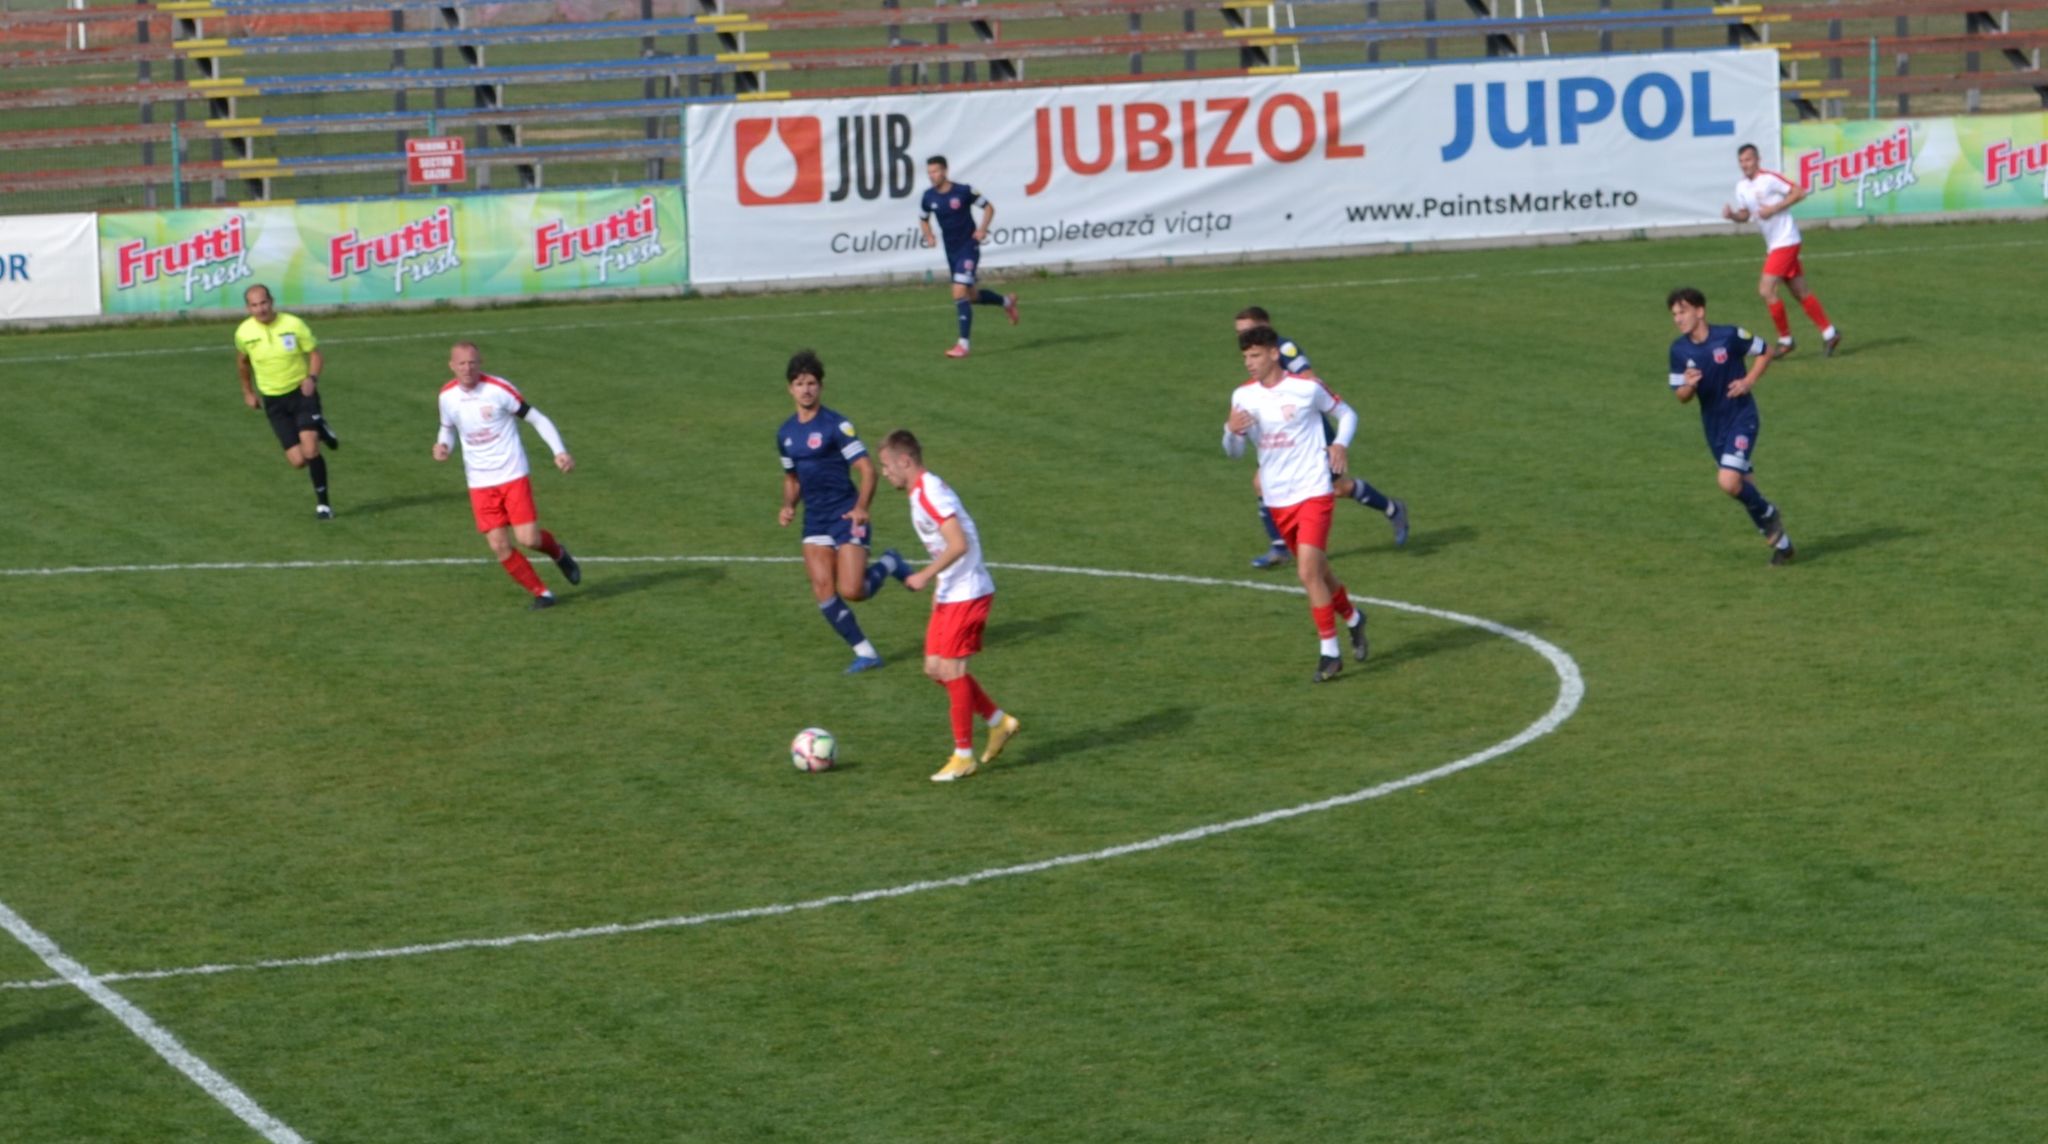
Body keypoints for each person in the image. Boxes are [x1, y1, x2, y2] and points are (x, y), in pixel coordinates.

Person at [1224, 325, 1370, 682]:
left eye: (1255, 355)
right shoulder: (1243, 397)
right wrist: (1231, 430)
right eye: (1245, 357)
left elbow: (1347, 413)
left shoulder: (1306, 389)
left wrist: (1340, 445)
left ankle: (1330, 654)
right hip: (1278, 497)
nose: (1249, 363)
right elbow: (1234, 453)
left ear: (1275, 353)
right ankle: (1353, 617)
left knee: (1306, 572)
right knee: (1319, 572)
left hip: (1314, 490)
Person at [878, 428, 1021, 782]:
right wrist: (937, 589)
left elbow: (957, 543)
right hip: (950, 591)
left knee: (953, 671)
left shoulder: (930, 493)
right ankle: (998, 721)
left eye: (886, 465)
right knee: (934, 668)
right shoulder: (919, 495)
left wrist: (925, 575)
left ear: (905, 461)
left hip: (968, 592)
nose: (885, 473)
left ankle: (963, 756)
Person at [1233, 306, 1408, 568]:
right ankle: (1280, 546)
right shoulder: (1255, 361)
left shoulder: (1285, 348)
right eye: (1240, 332)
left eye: (1248, 330)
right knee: (1265, 482)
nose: (1244, 336)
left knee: (1329, 488)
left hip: (1307, 429)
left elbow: (1309, 379)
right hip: (1282, 435)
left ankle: (1392, 508)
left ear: (1266, 327)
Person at [777, 349, 910, 673]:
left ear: (820, 387)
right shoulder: (785, 434)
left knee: (853, 590)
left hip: (846, 515)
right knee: (823, 589)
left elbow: (867, 470)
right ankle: (866, 652)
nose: (806, 389)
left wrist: (862, 508)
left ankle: (891, 562)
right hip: (815, 520)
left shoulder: (837, 425)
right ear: (790, 389)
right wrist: (788, 505)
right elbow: (792, 478)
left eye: (811, 383)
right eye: (799, 383)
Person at [433, 341, 584, 608]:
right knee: (499, 546)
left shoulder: (499, 390)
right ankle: (542, 593)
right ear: (452, 366)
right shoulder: (447, 396)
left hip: (512, 474)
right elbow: (447, 429)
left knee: (529, 539)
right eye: (462, 364)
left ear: (480, 363)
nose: (468, 369)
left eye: (472, 363)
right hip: (479, 482)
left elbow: (537, 418)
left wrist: (559, 451)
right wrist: (444, 445)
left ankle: (558, 553)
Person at [1665, 287, 1795, 566]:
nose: (1678, 318)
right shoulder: (1678, 351)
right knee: (1743, 488)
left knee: (1727, 481)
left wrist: (1748, 381)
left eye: (1683, 311)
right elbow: (1681, 397)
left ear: (1700, 311)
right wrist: (1689, 385)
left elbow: (1766, 351)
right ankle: (1784, 547)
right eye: (1674, 314)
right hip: (1714, 427)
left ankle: (1770, 512)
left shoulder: (1729, 336)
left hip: (1742, 417)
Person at [1722, 142, 1842, 358]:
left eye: (1748, 160)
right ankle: (1830, 332)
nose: (1745, 165)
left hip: (1786, 240)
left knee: (1766, 289)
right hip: (1775, 244)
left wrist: (1774, 208)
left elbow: (1799, 192)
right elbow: (1746, 215)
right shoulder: (1741, 187)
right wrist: (1732, 215)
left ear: (1758, 160)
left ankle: (1785, 340)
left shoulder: (1769, 178)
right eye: (1741, 161)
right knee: (1800, 291)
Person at [234, 284, 340, 519]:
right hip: (273, 401)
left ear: (271, 301)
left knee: (311, 449)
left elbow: (315, 354)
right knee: (298, 460)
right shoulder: (244, 333)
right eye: (254, 305)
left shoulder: (293, 324)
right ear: (247, 307)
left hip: (301, 393)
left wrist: (312, 378)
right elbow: (243, 363)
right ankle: (321, 427)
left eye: (263, 303)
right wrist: (248, 392)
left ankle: (323, 505)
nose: (260, 309)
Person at [918, 155, 1019, 359]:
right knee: (971, 296)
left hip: (969, 247)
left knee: (958, 292)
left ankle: (963, 345)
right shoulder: (928, 197)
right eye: (929, 172)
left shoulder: (963, 191)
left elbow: (989, 207)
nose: (932, 176)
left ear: (945, 171)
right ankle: (1007, 302)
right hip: (951, 251)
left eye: (936, 171)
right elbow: (923, 218)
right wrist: (928, 235)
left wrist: (982, 229)